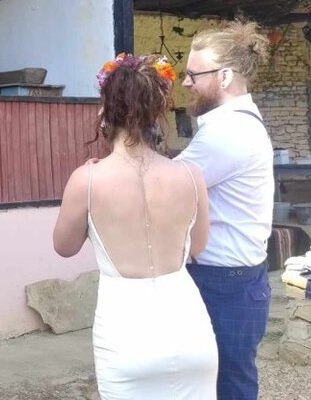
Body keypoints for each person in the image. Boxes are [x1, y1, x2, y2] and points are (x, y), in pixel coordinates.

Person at [53, 53, 216, 399]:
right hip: (189, 326)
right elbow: (198, 246)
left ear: (106, 112)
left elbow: (64, 247)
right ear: (156, 113)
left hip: (125, 332)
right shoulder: (190, 175)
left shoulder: (87, 179)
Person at [178, 21, 274, 400]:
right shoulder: (232, 125)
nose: (185, 82)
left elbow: (166, 187)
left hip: (223, 283)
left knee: (228, 384)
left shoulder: (227, 133)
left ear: (225, 76)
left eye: (193, 74)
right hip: (232, 279)